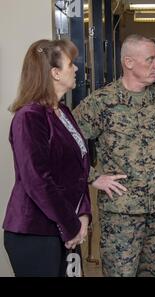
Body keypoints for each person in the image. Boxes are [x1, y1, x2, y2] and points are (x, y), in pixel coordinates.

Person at [72, 34, 155, 277]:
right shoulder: (101, 103)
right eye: (151, 59)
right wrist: (92, 176)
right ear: (128, 62)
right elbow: (67, 142)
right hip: (120, 212)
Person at [3, 39, 92, 277]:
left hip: (68, 228)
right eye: (71, 64)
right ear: (54, 73)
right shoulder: (29, 117)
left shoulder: (63, 112)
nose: (76, 69)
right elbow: (37, 181)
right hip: (36, 233)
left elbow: (79, 171)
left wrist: (83, 214)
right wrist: (72, 225)